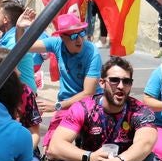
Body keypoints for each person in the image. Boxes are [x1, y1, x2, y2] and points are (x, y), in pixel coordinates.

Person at [20, 11, 102, 147]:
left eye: (82, 33)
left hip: (90, 104)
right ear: (63, 37)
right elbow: (23, 47)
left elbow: (88, 93)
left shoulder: (92, 52)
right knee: (52, 149)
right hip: (67, 105)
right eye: (74, 36)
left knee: (93, 147)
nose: (80, 39)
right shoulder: (57, 44)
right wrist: (21, 28)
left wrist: (56, 106)